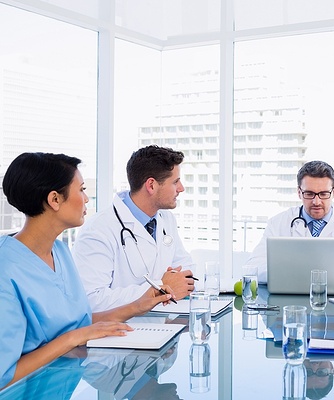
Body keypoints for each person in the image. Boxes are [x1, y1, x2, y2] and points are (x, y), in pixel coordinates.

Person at [0, 152, 175, 389]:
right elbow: (4, 376)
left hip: (63, 385)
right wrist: (73, 338)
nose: (86, 199)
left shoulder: (61, 252)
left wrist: (138, 305)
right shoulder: (6, 268)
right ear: (54, 199)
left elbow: (80, 324)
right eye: (81, 190)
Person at [72, 145, 195, 312]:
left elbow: (186, 267)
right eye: (175, 182)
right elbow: (92, 299)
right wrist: (161, 287)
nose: (181, 188)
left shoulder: (166, 219)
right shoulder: (97, 231)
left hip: (165, 323)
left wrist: (173, 283)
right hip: (122, 330)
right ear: (151, 185)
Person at [244, 160, 334, 285]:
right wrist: (296, 273)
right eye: (309, 194)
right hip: (291, 302)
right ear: (299, 192)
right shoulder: (278, 223)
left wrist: (330, 276)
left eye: (324, 194)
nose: (316, 202)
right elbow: (253, 268)